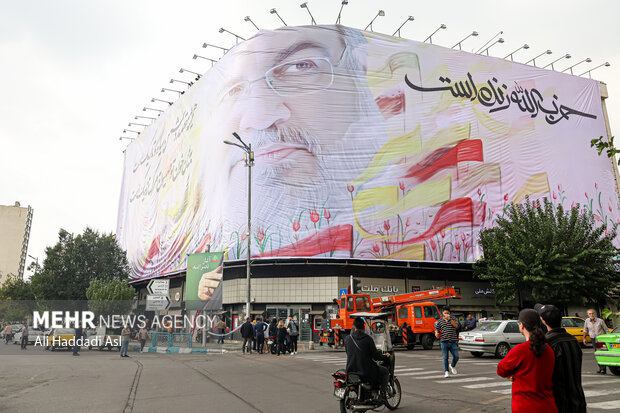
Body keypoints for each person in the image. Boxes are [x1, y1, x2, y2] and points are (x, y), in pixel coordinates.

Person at [497, 309, 557, 413]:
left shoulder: (519, 350)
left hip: (525, 407)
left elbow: (501, 370)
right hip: (548, 406)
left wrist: (513, 373)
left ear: (522, 325)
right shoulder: (548, 349)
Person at [538, 305, 586, 413]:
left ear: (544, 322)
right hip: (578, 399)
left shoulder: (547, 343)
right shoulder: (573, 339)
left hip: (559, 401)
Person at [344, 317, 392, 397]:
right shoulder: (368, 339)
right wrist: (385, 356)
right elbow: (376, 356)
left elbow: (348, 353)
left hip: (350, 369)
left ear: (354, 327)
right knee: (385, 371)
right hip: (366, 371)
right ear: (364, 327)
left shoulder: (347, 339)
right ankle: (382, 394)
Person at [435, 307, 459, 378]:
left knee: (456, 356)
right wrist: (436, 333)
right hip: (444, 342)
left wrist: (450, 320)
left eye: (448, 313)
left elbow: (456, 326)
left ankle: (452, 365)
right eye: (445, 313)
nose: (446, 314)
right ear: (443, 313)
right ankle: (446, 371)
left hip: (453, 341)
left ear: (450, 313)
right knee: (445, 357)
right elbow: (437, 329)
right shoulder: (440, 321)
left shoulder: (453, 319)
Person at [583, 309, 608, 374]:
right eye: (590, 314)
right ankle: (601, 368)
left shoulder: (600, 321)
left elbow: (606, 330)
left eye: (592, 313)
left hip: (601, 339)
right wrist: (584, 338)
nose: (591, 315)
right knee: (597, 353)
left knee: (602, 353)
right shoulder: (587, 321)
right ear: (588, 315)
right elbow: (585, 330)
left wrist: (607, 339)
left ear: (595, 314)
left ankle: (603, 369)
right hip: (593, 339)